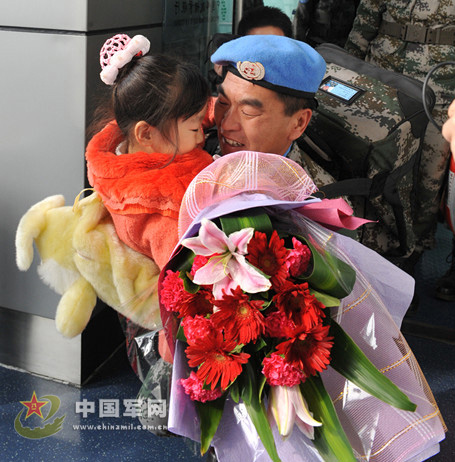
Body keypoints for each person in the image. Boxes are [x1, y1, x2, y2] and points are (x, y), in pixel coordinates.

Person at [344, 1, 455, 289]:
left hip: (443, 93)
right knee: (385, 172)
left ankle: (416, 249)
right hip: (385, 90)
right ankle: (388, 248)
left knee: (430, 181)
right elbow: (364, 25)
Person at [85, 34, 213, 271]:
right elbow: (182, 283)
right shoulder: (160, 211)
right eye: (195, 127)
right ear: (145, 134)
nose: (200, 136)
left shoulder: (128, 145)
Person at [209, 34, 336, 188]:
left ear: (298, 123)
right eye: (223, 102)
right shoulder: (194, 146)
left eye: (248, 111)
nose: (226, 124)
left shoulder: (313, 203)